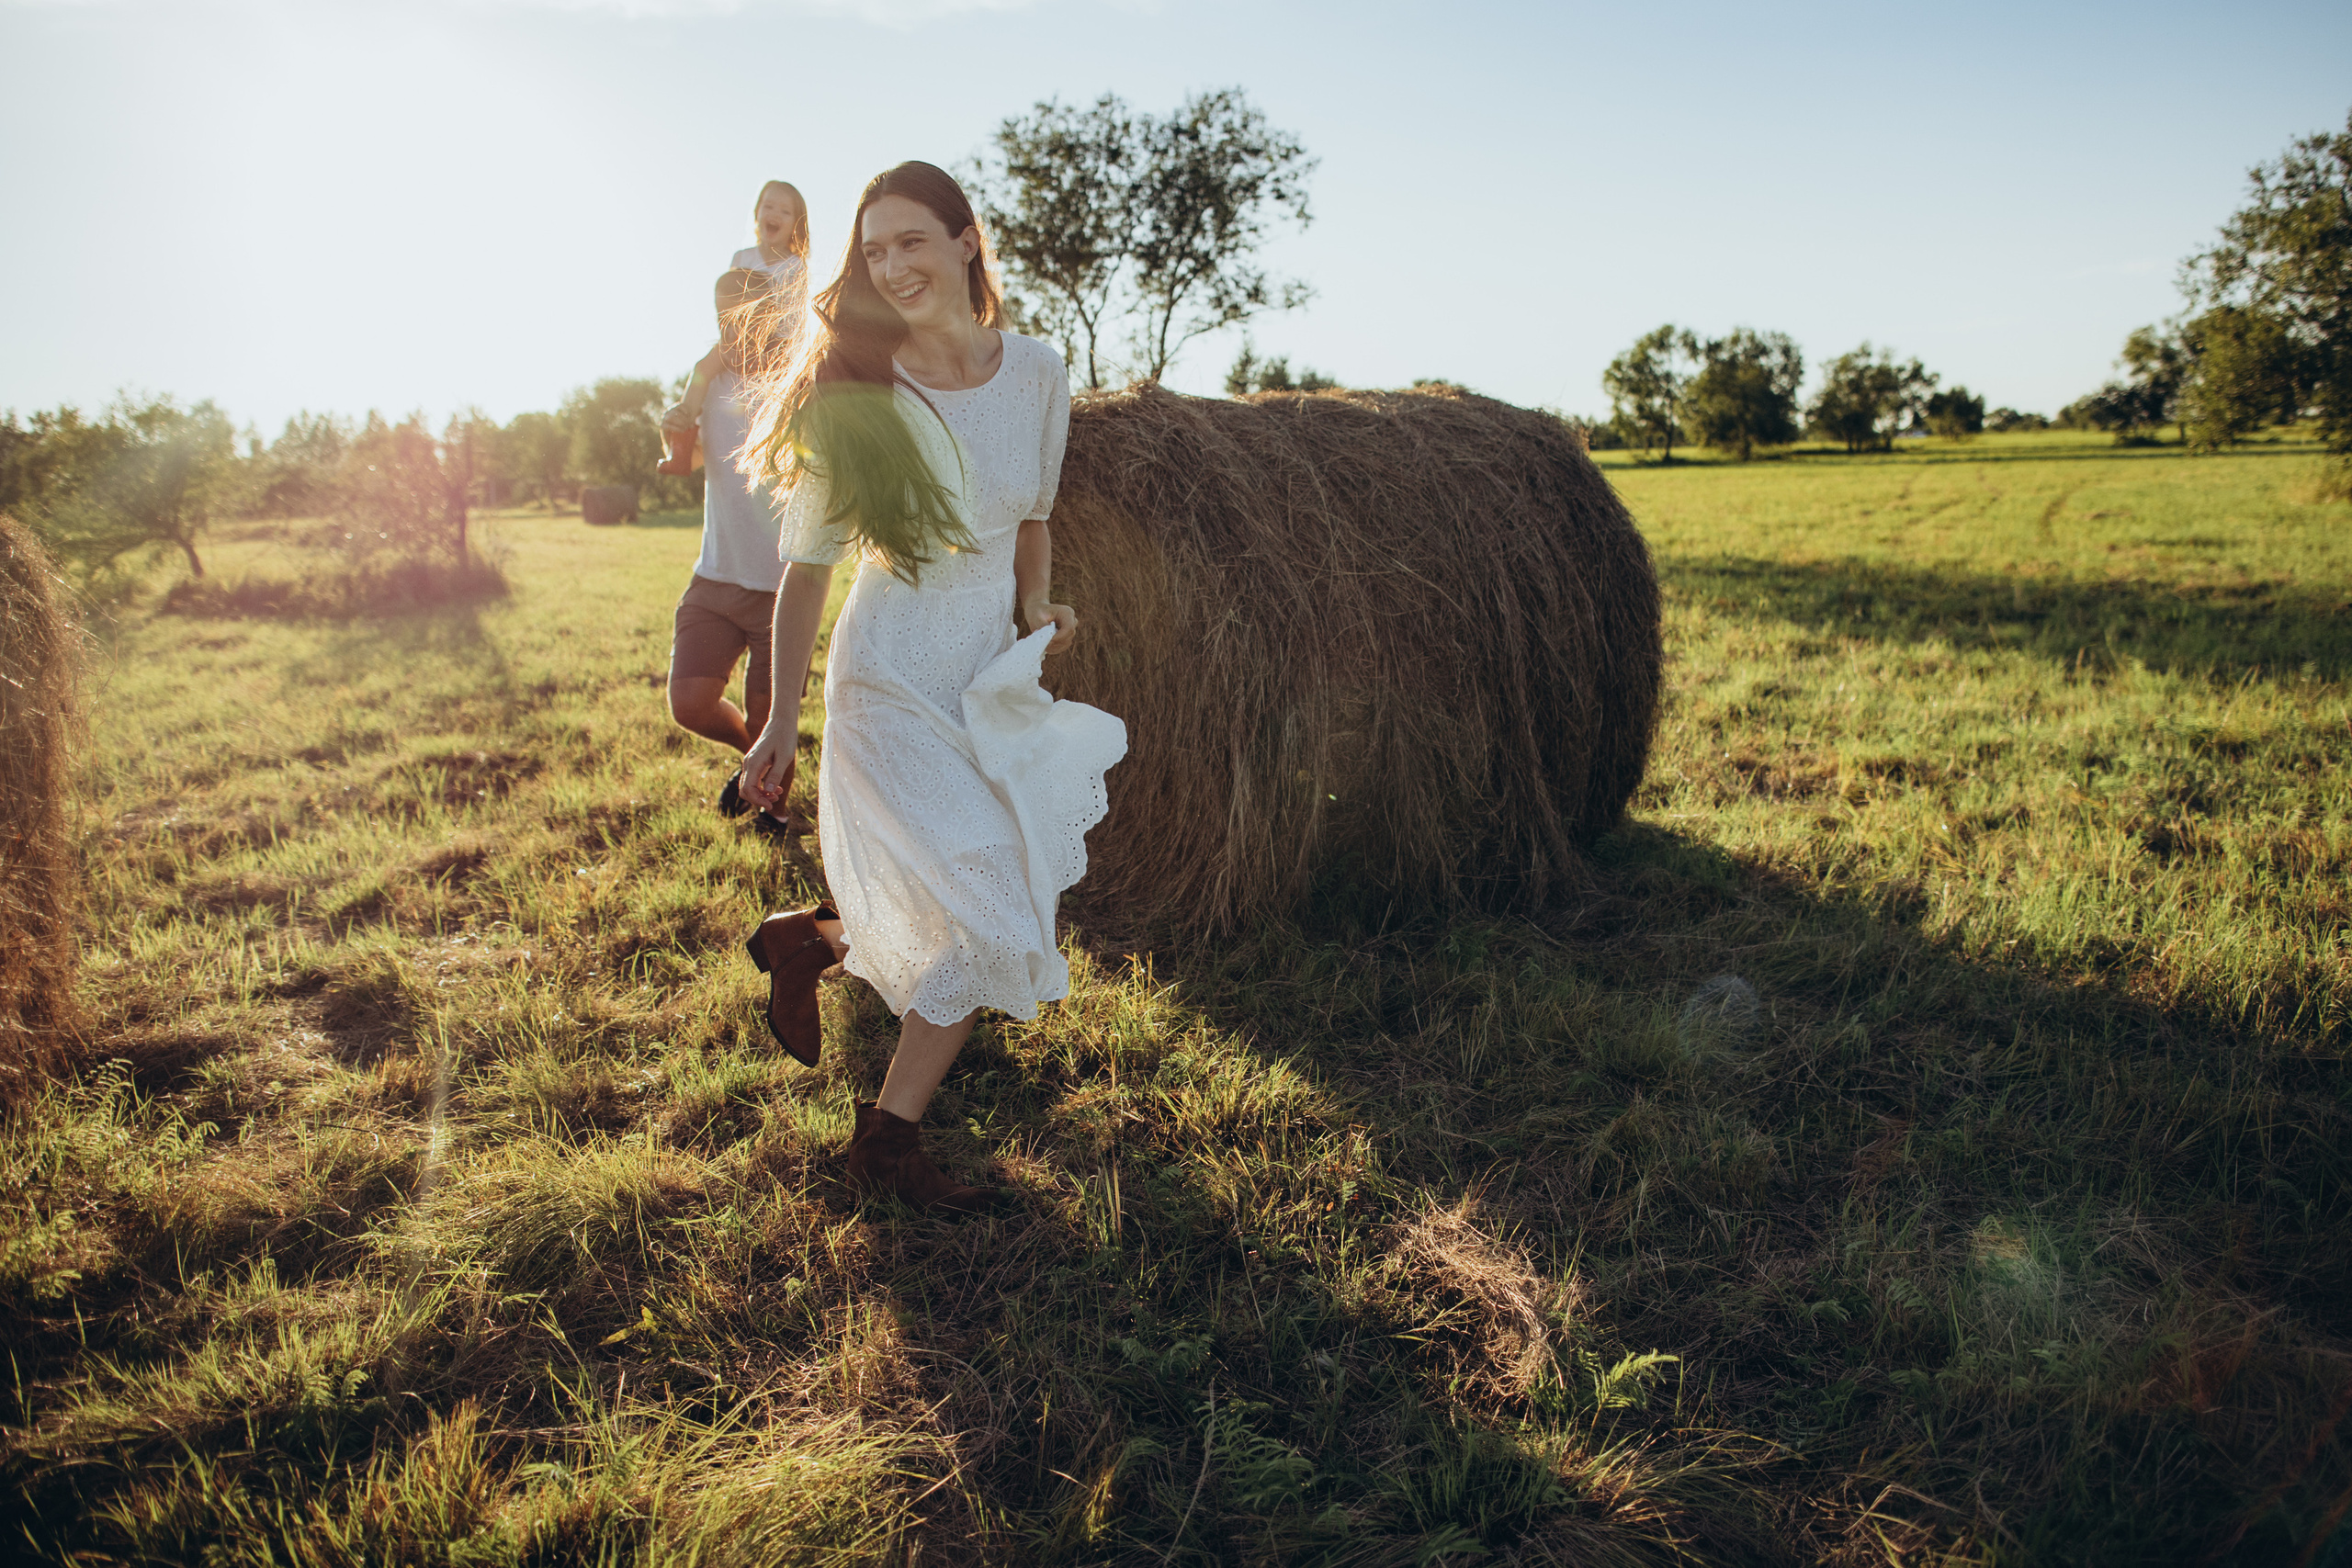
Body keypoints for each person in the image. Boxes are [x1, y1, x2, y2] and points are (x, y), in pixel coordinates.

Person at [738, 162, 1125, 1214]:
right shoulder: (863, 391)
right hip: (889, 681)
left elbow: (1031, 514)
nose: (893, 265)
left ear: (966, 241)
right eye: (873, 251)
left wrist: (1037, 607)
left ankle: (806, 944)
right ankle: (887, 1144)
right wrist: (778, 721)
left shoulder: (1038, 371)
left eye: (912, 240)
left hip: (984, 680)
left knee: (975, 894)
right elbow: (807, 571)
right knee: (995, 901)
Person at [665, 268, 800, 834]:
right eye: (722, 315)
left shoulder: (795, 385)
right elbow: (685, 465)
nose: (731, 327)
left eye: (743, 313)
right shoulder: (711, 386)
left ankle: (773, 809)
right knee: (690, 703)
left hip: (778, 588)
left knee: (771, 712)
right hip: (715, 577)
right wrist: (680, 420)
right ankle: (754, 757)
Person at [660, 181, 811, 475]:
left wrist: (770, 347)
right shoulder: (742, 258)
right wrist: (730, 338)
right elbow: (727, 304)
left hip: (774, 344)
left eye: (785, 210)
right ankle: (679, 440)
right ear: (756, 214)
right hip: (735, 340)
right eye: (768, 206)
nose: (774, 214)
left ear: (796, 225)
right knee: (703, 368)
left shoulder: (794, 267)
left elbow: (793, 321)